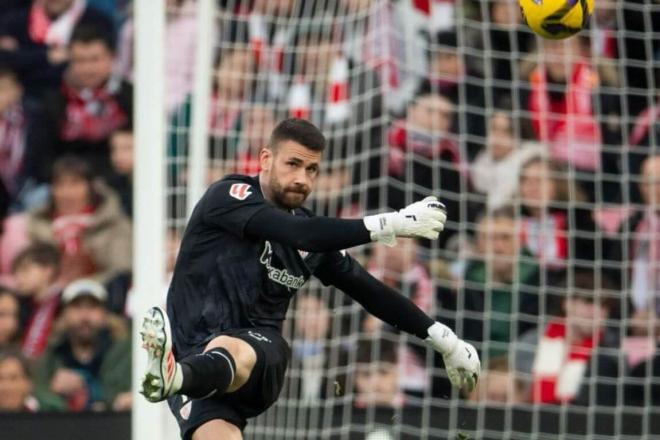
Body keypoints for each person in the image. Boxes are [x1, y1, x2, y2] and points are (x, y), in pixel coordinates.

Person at [138, 118, 480, 440]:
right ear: (265, 158)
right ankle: (177, 376)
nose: (303, 178)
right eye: (293, 164)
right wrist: (392, 224)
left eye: (312, 169)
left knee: (228, 347)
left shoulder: (311, 238)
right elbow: (300, 233)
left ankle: (174, 376)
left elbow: (371, 292)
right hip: (198, 369)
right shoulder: (228, 197)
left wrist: (445, 340)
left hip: (260, 355)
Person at [34, 278, 131, 411]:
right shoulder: (51, 354)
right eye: (77, 307)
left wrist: (86, 388)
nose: (85, 316)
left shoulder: (126, 352)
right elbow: (38, 393)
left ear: (105, 314)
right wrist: (56, 394)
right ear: (64, 314)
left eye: (92, 307)